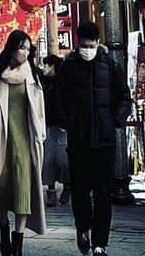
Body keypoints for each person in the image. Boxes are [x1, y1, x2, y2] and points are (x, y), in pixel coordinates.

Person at [57, 20, 132, 256]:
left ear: (98, 43)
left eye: (91, 45)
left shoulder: (110, 65)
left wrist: (116, 120)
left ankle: (100, 243)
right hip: (78, 140)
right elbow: (57, 98)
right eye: (84, 45)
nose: (87, 49)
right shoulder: (68, 67)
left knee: (103, 194)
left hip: (105, 140)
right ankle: (83, 229)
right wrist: (67, 121)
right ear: (78, 44)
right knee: (80, 192)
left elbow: (124, 97)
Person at [0, 31, 47, 256]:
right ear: (11, 48)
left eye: (28, 48)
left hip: (25, 142)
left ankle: (18, 242)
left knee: (24, 189)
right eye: (21, 47)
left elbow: (40, 110)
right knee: (0, 189)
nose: (25, 52)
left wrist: (41, 135)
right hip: (1, 138)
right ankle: (4, 228)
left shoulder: (33, 76)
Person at [39, 54, 69, 206]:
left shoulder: (64, 83)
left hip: (62, 126)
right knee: (48, 160)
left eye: (47, 65)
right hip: (46, 124)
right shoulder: (42, 82)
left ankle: (67, 187)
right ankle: (51, 192)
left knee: (64, 160)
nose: (44, 68)